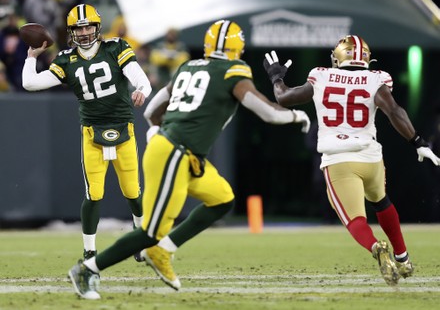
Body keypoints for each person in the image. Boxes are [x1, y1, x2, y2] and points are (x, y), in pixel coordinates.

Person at [67, 19, 311, 300]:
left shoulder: (188, 66)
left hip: (183, 153)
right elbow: (268, 113)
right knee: (150, 232)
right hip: (175, 152)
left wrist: (159, 135)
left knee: (222, 199)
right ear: (237, 47)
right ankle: (87, 269)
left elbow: (152, 111)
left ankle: (163, 251)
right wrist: (296, 115)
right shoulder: (235, 69)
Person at [262, 35, 440, 286]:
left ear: (338, 58)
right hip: (371, 157)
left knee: (355, 219)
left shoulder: (321, 76)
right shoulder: (376, 78)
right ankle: (403, 257)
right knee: (381, 202)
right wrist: (418, 142)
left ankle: (377, 247)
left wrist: (276, 77)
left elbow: (284, 98)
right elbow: (394, 111)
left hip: (339, 159)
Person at [21, 4, 152, 261]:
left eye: (87, 26)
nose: (83, 32)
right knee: (94, 194)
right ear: (71, 31)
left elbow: (141, 80)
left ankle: (141, 236)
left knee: (133, 192)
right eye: (78, 28)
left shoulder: (116, 48)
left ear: (97, 26)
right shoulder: (67, 59)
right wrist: (31, 56)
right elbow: (29, 83)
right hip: (92, 133)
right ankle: (90, 250)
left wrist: (142, 91)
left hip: (122, 127)